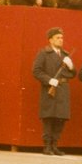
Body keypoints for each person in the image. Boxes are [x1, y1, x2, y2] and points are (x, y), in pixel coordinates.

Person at [32, 27, 75, 155]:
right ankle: (47, 146)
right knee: (49, 118)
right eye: (58, 38)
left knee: (60, 119)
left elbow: (73, 74)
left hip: (62, 89)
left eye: (62, 38)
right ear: (50, 40)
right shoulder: (43, 53)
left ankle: (55, 145)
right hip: (50, 88)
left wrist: (71, 67)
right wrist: (49, 80)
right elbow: (36, 71)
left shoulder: (65, 55)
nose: (61, 40)